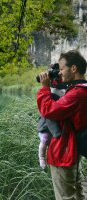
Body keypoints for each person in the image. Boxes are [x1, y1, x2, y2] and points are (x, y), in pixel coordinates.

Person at [37, 50, 87, 200]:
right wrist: (56, 80)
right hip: (72, 149)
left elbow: (49, 110)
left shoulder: (77, 94)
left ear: (73, 69)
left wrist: (45, 88)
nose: (60, 72)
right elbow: (66, 94)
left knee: (65, 196)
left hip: (64, 151)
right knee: (77, 192)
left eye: (62, 68)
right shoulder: (81, 89)